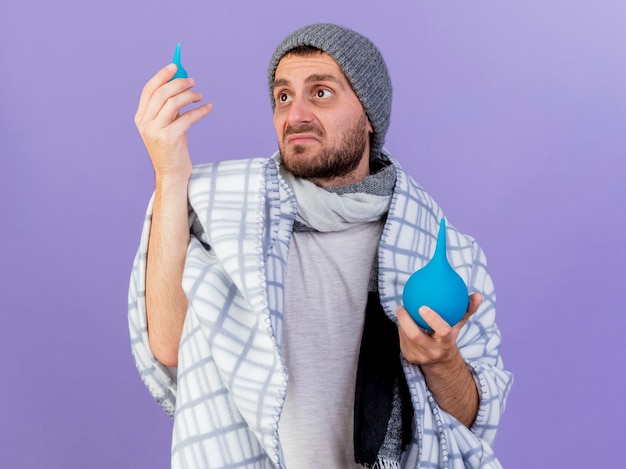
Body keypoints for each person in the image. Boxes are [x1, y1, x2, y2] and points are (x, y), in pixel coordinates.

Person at [129, 23, 513, 469]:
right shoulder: (226, 218)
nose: (296, 115)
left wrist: (441, 360)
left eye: (322, 93)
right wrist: (170, 174)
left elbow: (471, 423)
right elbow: (170, 346)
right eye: (284, 96)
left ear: (369, 116)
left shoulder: (441, 251)